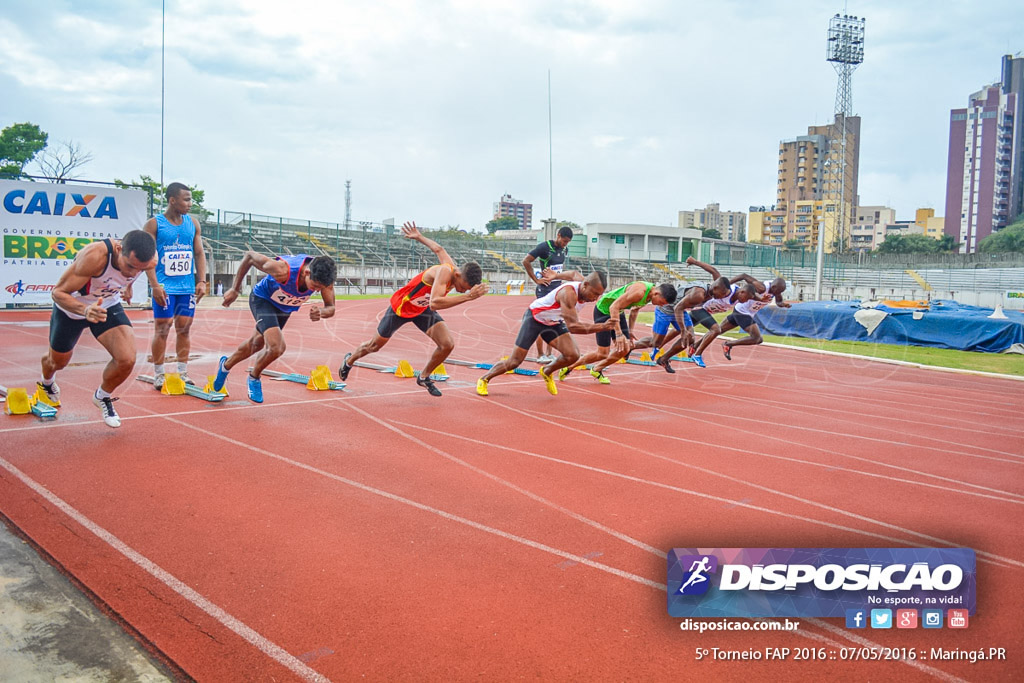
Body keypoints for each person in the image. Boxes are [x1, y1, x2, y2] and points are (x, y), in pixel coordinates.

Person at [338, 222, 488, 397]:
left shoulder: (452, 268)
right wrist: (468, 297)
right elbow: (435, 303)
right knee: (374, 346)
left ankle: (424, 377)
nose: (463, 290)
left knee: (447, 344)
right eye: (464, 286)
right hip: (402, 307)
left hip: (421, 309)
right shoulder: (445, 272)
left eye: (467, 290)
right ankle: (349, 361)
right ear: (458, 275)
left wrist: (419, 237)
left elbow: (439, 249)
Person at [38, 230, 158, 428]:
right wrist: (85, 310)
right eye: (129, 266)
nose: (131, 272)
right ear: (119, 249)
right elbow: (58, 293)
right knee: (57, 362)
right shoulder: (94, 256)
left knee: (127, 359)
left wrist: (128, 286)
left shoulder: (149, 260)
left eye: (139, 269)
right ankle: (47, 382)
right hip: (73, 308)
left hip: (106, 304)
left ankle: (102, 396)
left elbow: (136, 270)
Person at [212, 252, 337, 403]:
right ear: (307, 272)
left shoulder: (325, 279)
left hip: (285, 308)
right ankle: (254, 377)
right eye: (315, 286)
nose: (317, 291)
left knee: (257, 344)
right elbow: (249, 257)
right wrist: (235, 289)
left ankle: (225, 365)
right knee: (276, 347)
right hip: (263, 300)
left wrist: (321, 312)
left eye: (321, 288)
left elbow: (331, 308)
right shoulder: (283, 270)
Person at [476, 270, 612, 397]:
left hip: (553, 322)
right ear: (585, 285)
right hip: (535, 318)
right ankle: (484, 379)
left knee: (573, 355)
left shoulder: (584, 283)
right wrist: (602, 326)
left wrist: (555, 275)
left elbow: (573, 274)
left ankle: (547, 371)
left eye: (599, 294)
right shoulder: (568, 294)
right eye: (594, 293)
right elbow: (573, 327)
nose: (595, 298)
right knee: (515, 361)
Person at [144, 182, 207, 389]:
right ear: (173, 200)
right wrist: (154, 285)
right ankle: (159, 374)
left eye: (190, 199)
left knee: (184, 330)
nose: (190, 203)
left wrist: (201, 280)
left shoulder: (193, 224)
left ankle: (182, 371)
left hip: (186, 288)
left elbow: (199, 253)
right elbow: (147, 257)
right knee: (162, 329)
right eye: (186, 199)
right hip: (164, 288)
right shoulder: (154, 224)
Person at [562, 281, 677, 384]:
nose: (661, 306)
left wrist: (630, 331)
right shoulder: (639, 292)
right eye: (662, 302)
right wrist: (619, 334)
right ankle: (569, 367)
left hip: (618, 311)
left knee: (625, 349)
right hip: (604, 310)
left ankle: (596, 369)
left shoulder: (649, 295)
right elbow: (613, 307)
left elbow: (634, 310)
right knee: (602, 353)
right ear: (657, 294)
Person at [522, 226, 574, 362]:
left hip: (557, 291)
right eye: (564, 241)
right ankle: (540, 354)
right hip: (544, 290)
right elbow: (526, 261)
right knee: (541, 321)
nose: (565, 244)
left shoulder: (564, 250)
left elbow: (558, 269)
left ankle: (549, 353)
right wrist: (536, 279)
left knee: (553, 320)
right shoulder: (544, 247)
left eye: (567, 242)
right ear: (558, 235)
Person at [721, 277, 790, 360]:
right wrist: (727, 284)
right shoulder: (762, 287)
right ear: (774, 287)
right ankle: (728, 344)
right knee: (757, 338)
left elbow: (778, 302)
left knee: (717, 330)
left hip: (746, 313)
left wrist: (783, 304)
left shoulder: (776, 289)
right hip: (742, 312)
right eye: (779, 292)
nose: (779, 294)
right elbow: (744, 276)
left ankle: (701, 346)